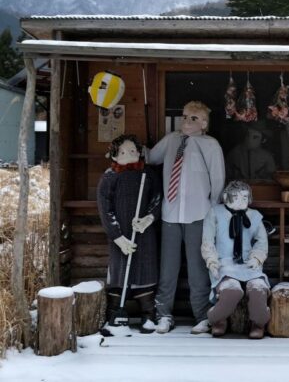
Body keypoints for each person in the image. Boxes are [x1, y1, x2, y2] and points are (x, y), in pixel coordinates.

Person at [147, 101, 225, 334]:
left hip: (198, 214)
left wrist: (212, 210)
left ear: (204, 123)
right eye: (184, 116)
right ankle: (163, 314)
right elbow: (151, 158)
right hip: (171, 213)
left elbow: (218, 179)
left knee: (197, 267)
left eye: (193, 118)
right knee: (168, 267)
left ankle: (202, 314)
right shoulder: (171, 140)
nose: (187, 121)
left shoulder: (210, 145)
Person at [97, 134, 161, 333]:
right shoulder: (110, 177)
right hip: (121, 233)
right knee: (120, 270)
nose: (129, 154)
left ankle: (148, 315)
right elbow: (105, 209)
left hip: (144, 233)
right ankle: (115, 313)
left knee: (146, 268)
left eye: (133, 151)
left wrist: (148, 218)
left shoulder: (147, 175)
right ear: (115, 155)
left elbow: (157, 198)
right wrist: (117, 237)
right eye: (124, 152)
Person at [201, 181, 271, 339]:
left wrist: (257, 258)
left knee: (258, 289)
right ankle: (217, 319)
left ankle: (258, 322)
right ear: (226, 197)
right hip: (224, 263)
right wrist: (211, 261)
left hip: (248, 263)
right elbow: (208, 241)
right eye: (236, 197)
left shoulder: (254, 216)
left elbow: (261, 241)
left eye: (245, 197)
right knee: (231, 290)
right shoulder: (215, 213)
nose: (242, 200)